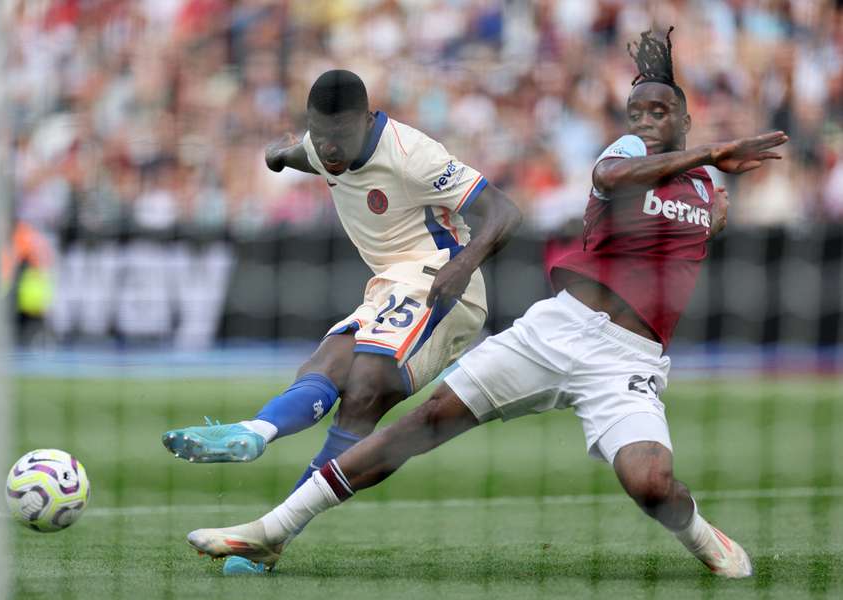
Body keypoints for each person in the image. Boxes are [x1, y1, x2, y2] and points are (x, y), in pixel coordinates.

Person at [184, 29, 788, 579]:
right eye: (637, 112)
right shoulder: (631, 156)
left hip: (627, 359)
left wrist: (713, 188)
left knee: (652, 485)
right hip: (558, 328)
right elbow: (614, 177)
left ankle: (704, 537)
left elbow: (696, 229)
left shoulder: (709, 189)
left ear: (686, 115)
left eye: (661, 111)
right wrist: (710, 152)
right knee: (421, 424)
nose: (646, 121)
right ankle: (271, 531)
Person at [163, 69, 522, 573]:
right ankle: (257, 434)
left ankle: (274, 530)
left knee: (365, 388)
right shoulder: (322, 144)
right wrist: (277, 155)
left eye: (340, 136)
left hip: (443, 282)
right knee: (329, 362)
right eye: (320, 133)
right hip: (388, 284)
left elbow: (505, 211)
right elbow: (295, 154)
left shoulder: (413, 155)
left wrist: (463, 266)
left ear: (368, 119)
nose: (329, 149)